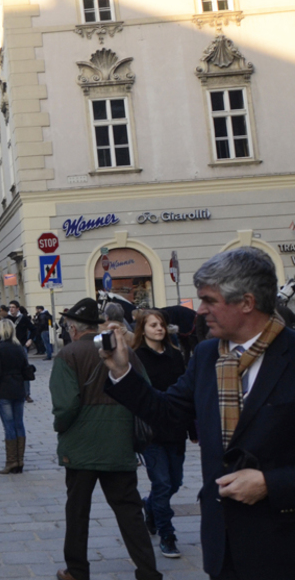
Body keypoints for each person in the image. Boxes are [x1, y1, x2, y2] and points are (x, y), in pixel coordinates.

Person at [104, 248, 295, 580]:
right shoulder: (208, 355)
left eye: (209, 300)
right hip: (223, 545)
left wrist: (271, 483)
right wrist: (122, 373)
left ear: (247, 303)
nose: (200, 310)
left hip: (282, 544)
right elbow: (168, 413)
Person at [51, 298, 161, 580]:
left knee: (77, 511)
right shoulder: (124, 350)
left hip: (80, 446)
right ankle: (148, 571)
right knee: (129, 510)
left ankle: (77, 570)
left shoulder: (68, 354)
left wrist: (61, 428)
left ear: (74, 329)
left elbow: (65, 406)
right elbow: (145, 391)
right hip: (119, 443)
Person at [127, 309, 190, 560]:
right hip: (150, 431)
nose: (159, 329)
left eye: (161, 325)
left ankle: (150, 507)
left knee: (174, 482)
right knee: (162, 483)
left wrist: (192, 428)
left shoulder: (176, 356)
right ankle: (167, 534)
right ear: (143, 329)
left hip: (175, 428)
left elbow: (188, 394)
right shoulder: (137, 357)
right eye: (153, 325)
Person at [0, 319, 31, 475]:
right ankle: (20, 461)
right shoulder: (19, 347)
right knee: (19, 423)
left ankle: (11, 461)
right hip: (18, 388)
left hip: (4, 390)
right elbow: (25, 368)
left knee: (9, 425)